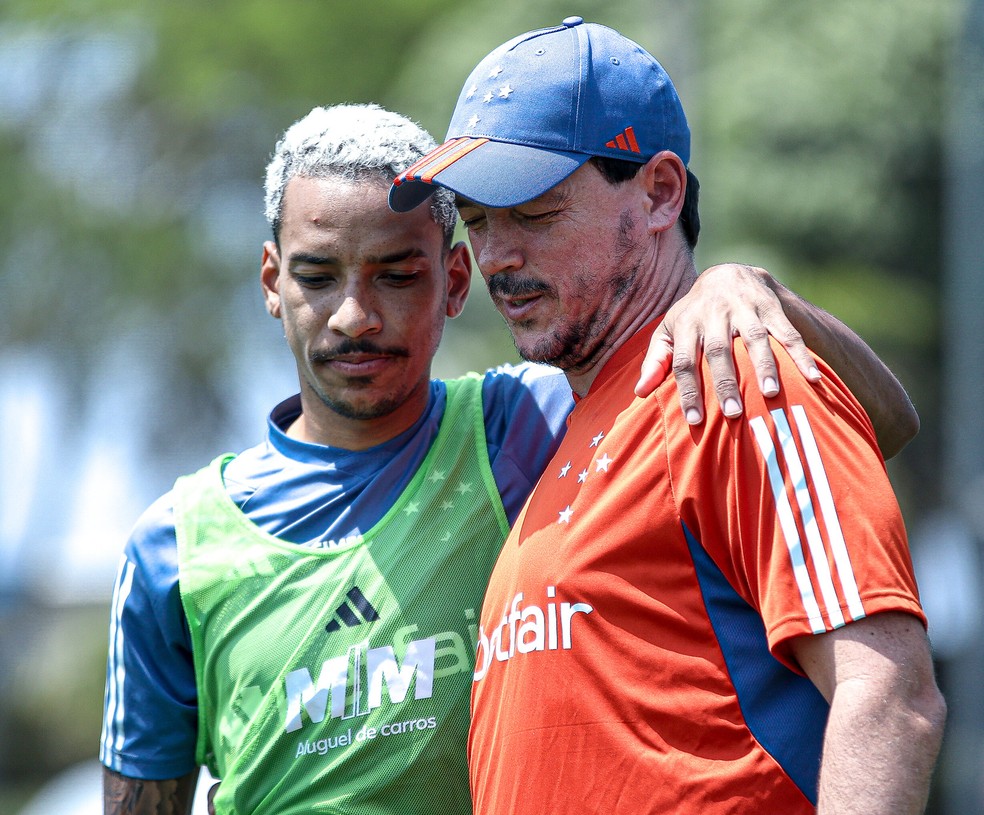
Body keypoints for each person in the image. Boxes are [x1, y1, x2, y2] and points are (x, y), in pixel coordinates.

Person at [100, 101, 918, 815]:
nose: (354, 315)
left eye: (397, 275)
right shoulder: (174, 548)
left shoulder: (524, 426)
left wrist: (749, 294)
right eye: (317, 275)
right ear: (273, 281)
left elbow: (883, 422)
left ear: (456, 282)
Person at [389, 17, 946, 815]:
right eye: (477, 221)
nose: (498, 256)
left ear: (658, 193)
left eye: (535, 214)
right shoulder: (564, 425)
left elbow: (890, 694)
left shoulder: (733, 372)